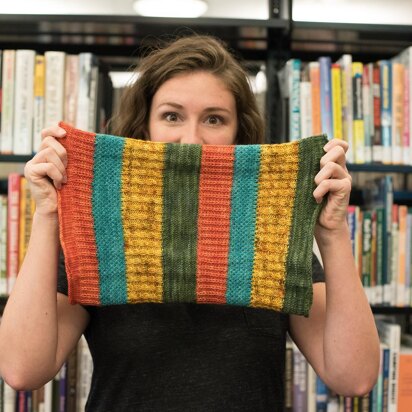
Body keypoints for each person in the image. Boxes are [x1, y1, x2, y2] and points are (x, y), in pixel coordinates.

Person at [0, 35, 380, 411]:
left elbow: (354, 378)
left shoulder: (273, 236)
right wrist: (49, 215)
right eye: (172, 115)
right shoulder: (101, 231)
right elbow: (22, 370)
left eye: (214, 119)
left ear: (238, 135)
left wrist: (332, 233)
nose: (191, 140)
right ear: (144, 126)